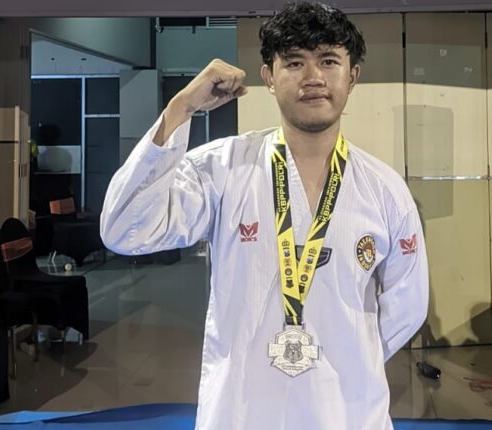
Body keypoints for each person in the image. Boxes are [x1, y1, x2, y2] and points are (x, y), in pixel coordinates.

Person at [100, 2, 428, 429]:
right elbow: (124, 229)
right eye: (294, 62)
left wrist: (347, 356)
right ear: (269, 77)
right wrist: (181, 107)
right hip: (241, 411)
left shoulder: (384, 189)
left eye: (329, 60)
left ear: (353, 76)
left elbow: (408, 305)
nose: (313, 77)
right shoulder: (223, 168)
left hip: (347, 412)